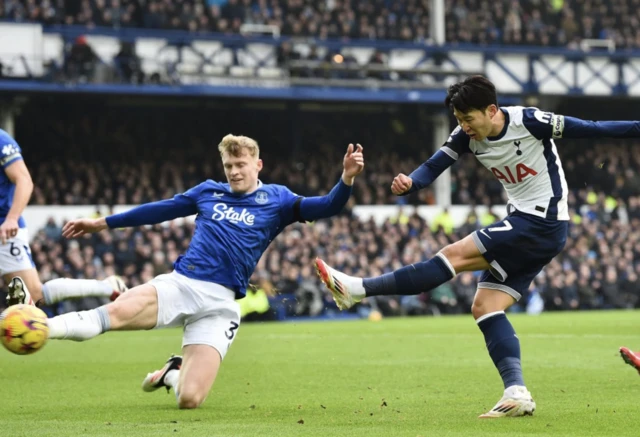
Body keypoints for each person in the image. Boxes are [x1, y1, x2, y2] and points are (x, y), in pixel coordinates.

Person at [314, 75, 640, 418]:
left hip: (541, 221)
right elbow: (434, 165)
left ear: (492, 110)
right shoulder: (465, 137)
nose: (464, 127)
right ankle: (517, 393)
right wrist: (411, 182)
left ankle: (358, 289)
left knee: (454, 255)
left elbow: (594, 128)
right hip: (532, 227)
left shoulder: (530, 121)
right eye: (458, 120)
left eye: (468, 119)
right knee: (485, 306)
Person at [38, 135, 364, 409]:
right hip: (183, 284)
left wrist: (346, 179)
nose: (234, 172)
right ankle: (39, 326)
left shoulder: (278, 199)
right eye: (229, 166)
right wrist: (103, 223)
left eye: (241, 165)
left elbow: (327, 206)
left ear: (257, 165)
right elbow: (160, 210)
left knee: (190, 399)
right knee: (110, 315)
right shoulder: (208, 192)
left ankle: (171, 373)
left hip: (222, 305)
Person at [0, 129, 126, 309]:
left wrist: (12, 218)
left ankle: (106, 287)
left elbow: (24, 181)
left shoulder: (1, 140)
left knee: (35, 295)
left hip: (5, 229)